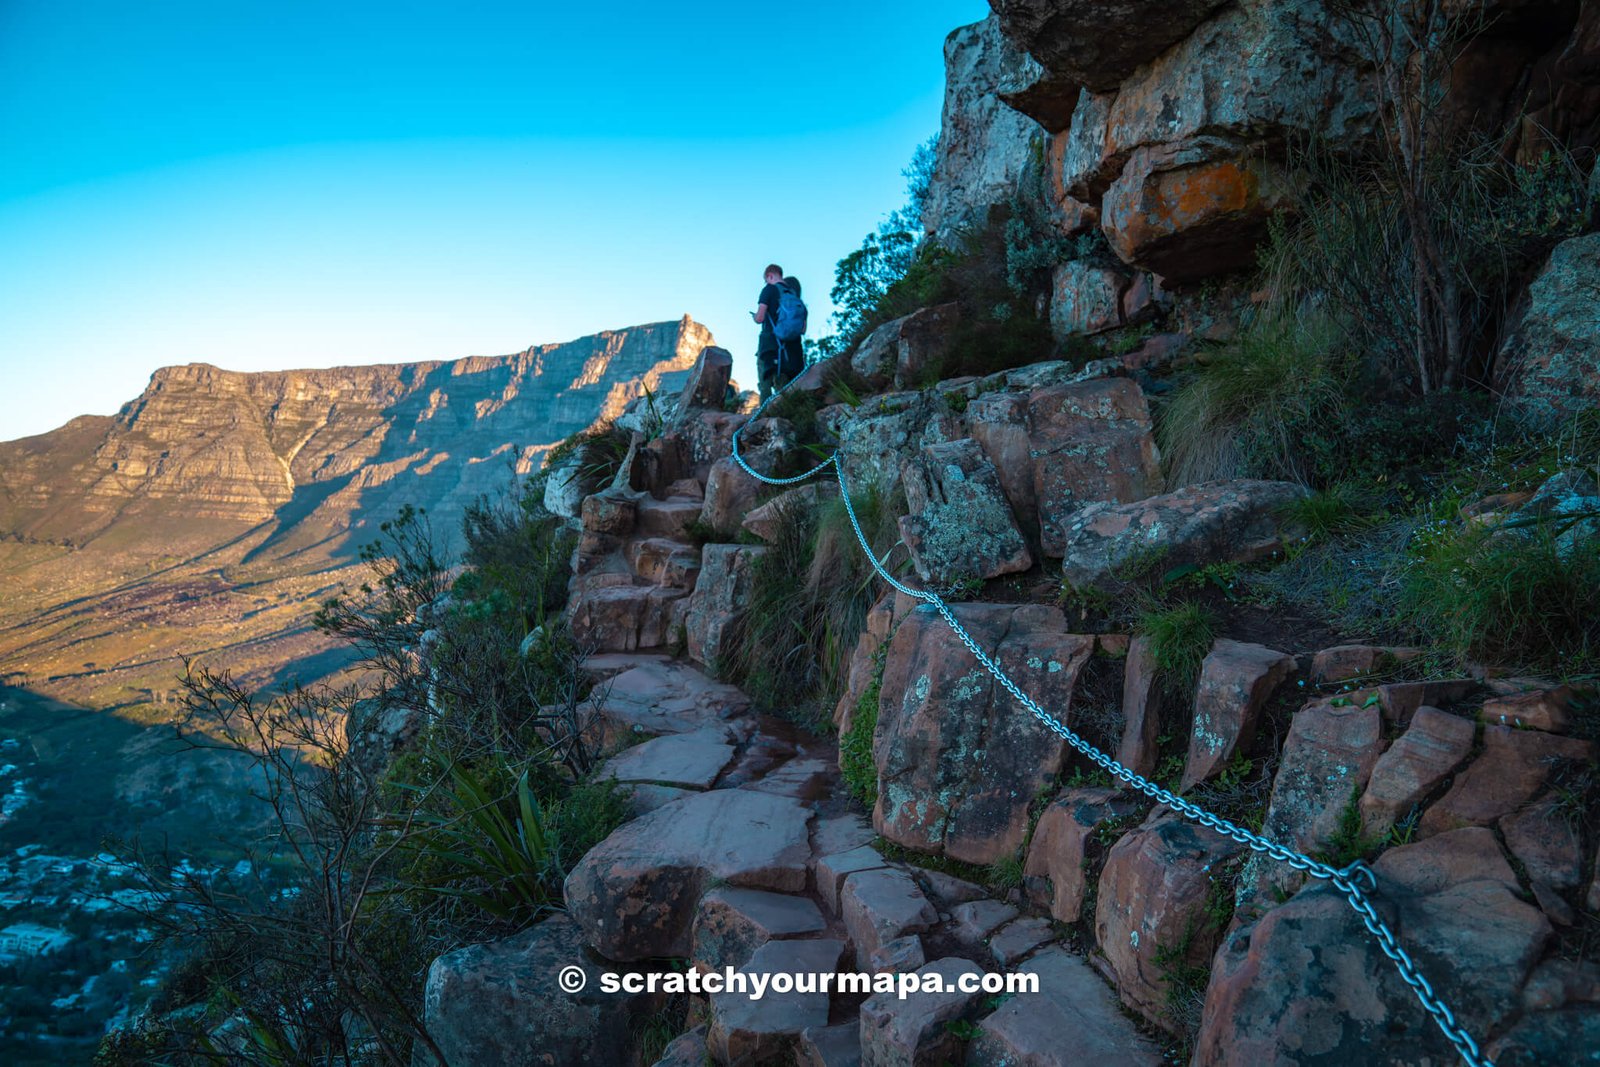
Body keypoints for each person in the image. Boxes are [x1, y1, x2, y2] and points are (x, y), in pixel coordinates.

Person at [752, 263, 786, 402]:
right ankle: (789, 410)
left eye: (766, 279)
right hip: (789, 346)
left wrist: (754, 316)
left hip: (770, 343)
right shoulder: (792, 291)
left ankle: (764, 416)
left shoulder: (769, 290)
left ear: (770, 276)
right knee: (785, 383)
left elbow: (760, 318)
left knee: (765, 382)